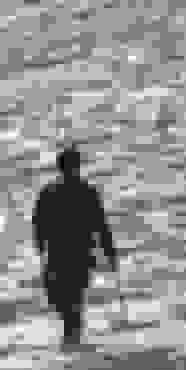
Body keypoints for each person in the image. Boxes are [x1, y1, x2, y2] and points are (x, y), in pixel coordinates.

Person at [30, 146, 117, 345]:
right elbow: (101, 226)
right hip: (75, 254)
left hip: (65, 254)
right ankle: (73, 335)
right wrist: (110, 254)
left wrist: (41, 246)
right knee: (70, 298)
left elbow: (38, 223)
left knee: (65, 298)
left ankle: (72, 338)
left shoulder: (51, 192)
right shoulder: (84, 192)